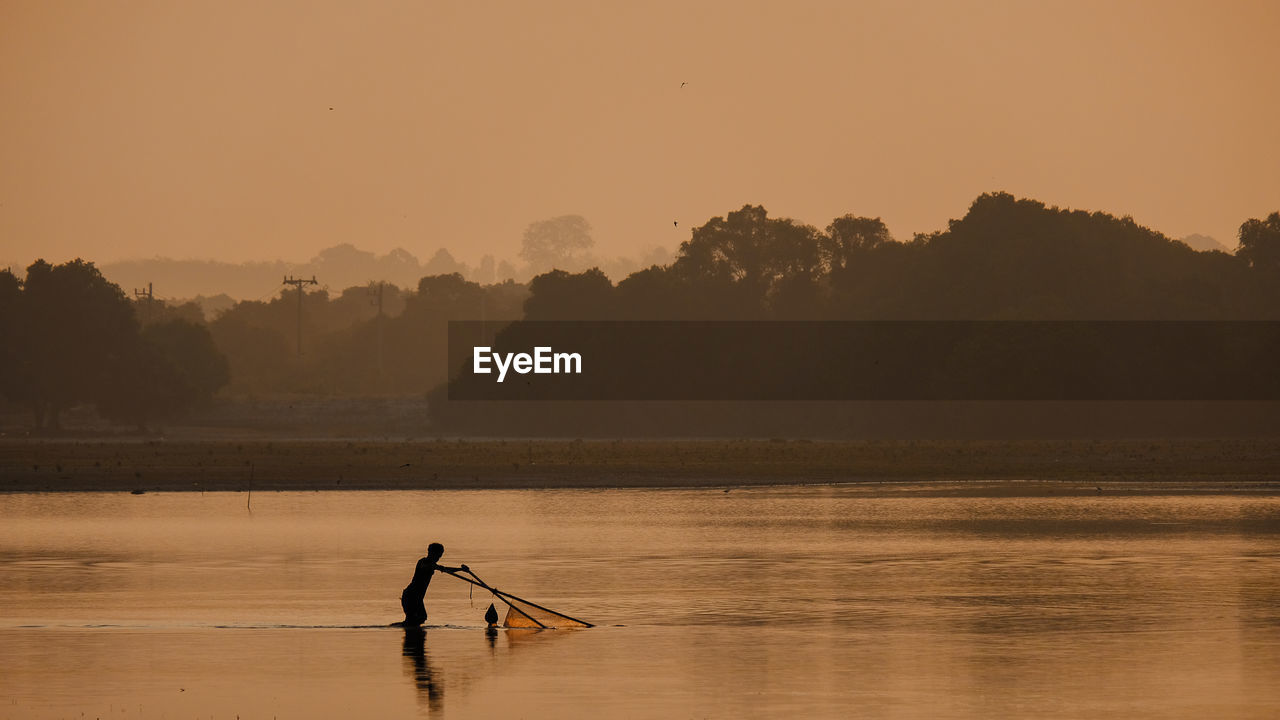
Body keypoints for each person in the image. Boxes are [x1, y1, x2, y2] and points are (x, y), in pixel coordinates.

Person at [400, 542, 464, 626]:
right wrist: (436, 567)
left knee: (420, 618)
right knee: (415, 619)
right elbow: (426, 566)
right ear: (431, 552)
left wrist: (461, 569)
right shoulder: (423, 561)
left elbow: (446, 569)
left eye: (440, 555)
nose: (439, 557)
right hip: (411, 596)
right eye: (438, 554)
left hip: (417, 597)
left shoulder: (433, 564)